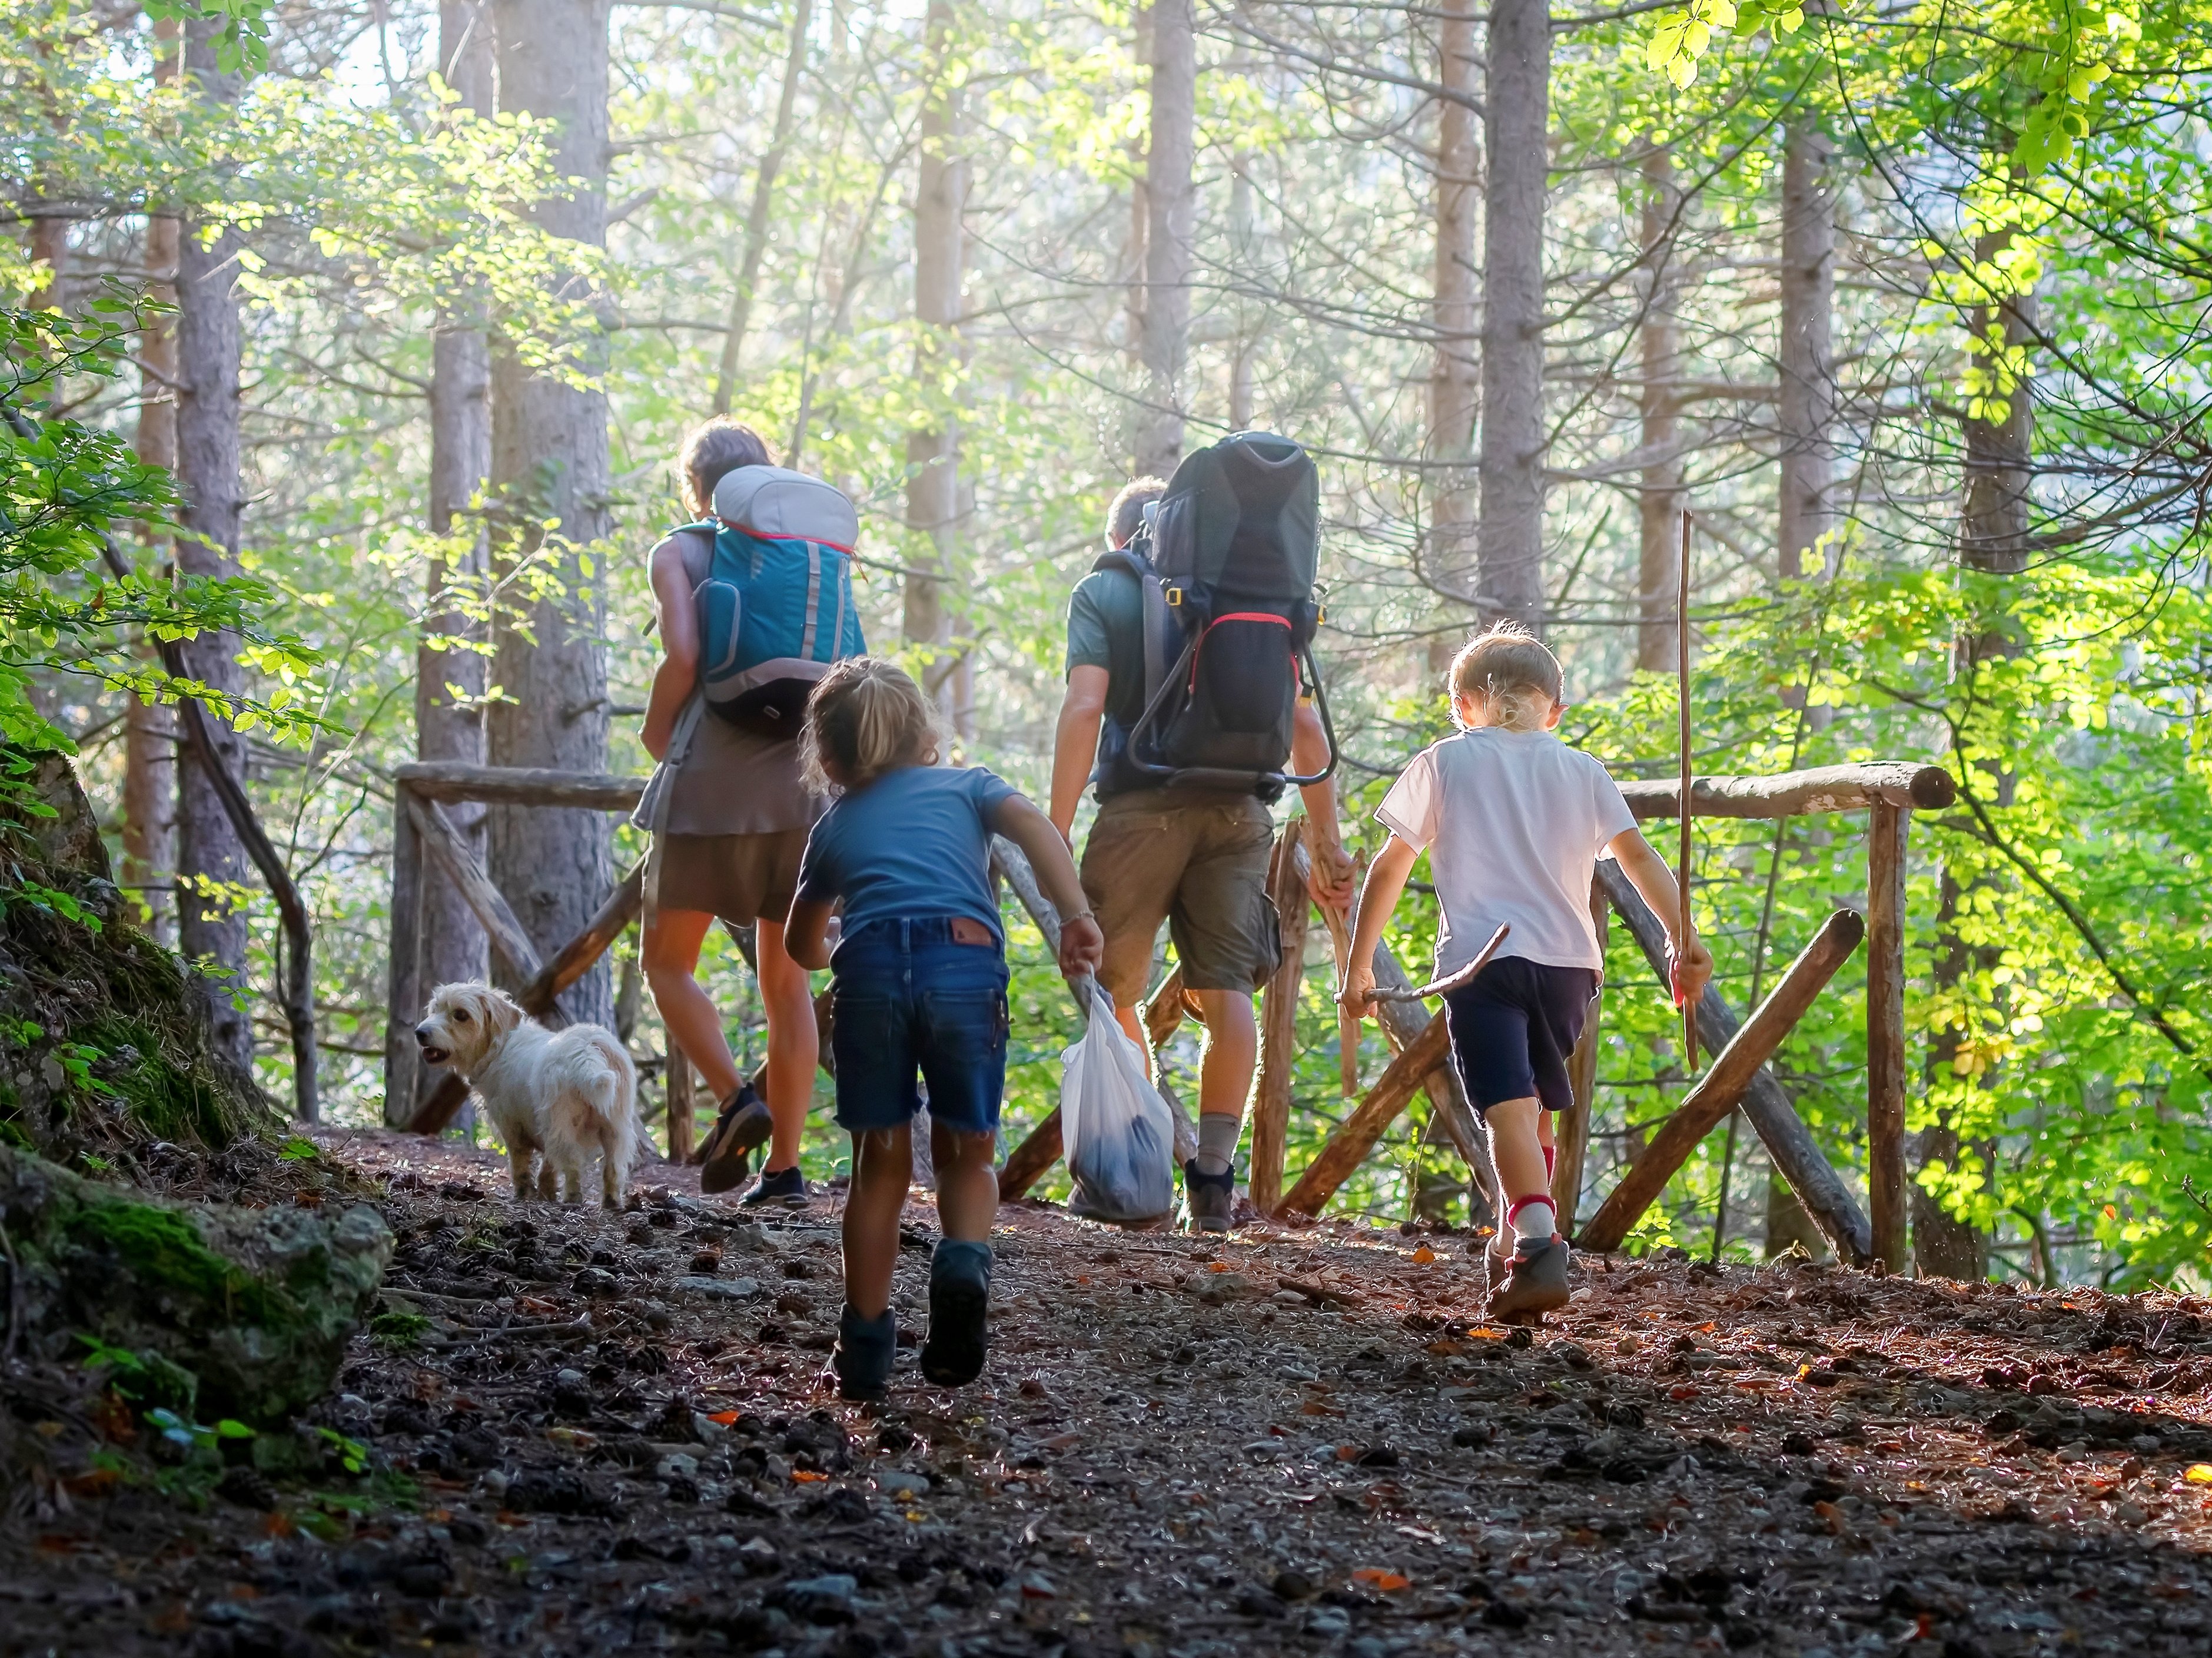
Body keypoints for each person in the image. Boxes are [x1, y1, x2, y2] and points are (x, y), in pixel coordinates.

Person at [1340, 623, 1714, 1316]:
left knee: (1505, 1108)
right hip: (1569, 967)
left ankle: (1539, 1246)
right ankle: (1511, 1238)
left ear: (1460, 705)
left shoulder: (1443, 761)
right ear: (1554, 711)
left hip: (1483, 963)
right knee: (1531, 1109)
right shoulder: (1582, 768)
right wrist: (1680, 933)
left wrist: (1358, 964)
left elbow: (1390, 864)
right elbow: (1637, 859)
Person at [785, 658, 1103, 1399]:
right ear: (925, 734)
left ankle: (864, 1350)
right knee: (967, 1149)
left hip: (869, 983)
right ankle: (961, 1261)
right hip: (962, 968)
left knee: (879, 1166)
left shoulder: (834, 827)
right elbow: (1031, 825)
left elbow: (803, 946)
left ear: (827, 757)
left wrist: (844, 946)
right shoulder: (970, 786)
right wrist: (1076, 914)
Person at [1048, 476, 1358, 1234]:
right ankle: (1213, 1185)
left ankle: (1135, 1170)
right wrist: (1327, 842)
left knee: (1111, 990)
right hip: (1240, 811)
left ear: (1126, 537)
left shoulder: (1105, 589)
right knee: (1229, 999)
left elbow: (1086, 706)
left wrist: (1052, 830)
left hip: (1138, 812)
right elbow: (1307, 736)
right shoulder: (1252, 596)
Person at [639, 416, 821, 1206]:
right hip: (805, 791)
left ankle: (734, 1098)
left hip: (711, 787)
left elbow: (683, 655)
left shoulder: (679, 550)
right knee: (789, 987)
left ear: (695, 487)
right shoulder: (811, 557)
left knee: (666, 963)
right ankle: (784, 1168)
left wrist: (654, 730)